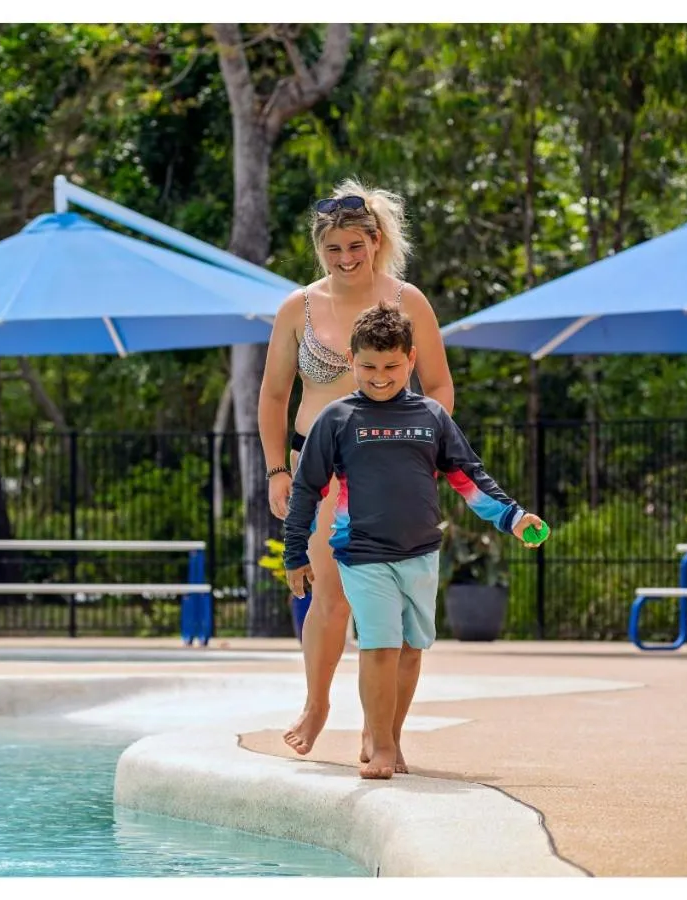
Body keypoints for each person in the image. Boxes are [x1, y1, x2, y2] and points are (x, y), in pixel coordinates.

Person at [282, 303, 544, 778]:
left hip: (420, 552)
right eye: (368, 366)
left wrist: (514, 516)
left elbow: (469, 478)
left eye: (391, 366)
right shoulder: (337, 420)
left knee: (409, 649)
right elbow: (307, 490)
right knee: (379, 645)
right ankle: (380, 744)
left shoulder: (432, 417)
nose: (379, 376)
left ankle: (389, 734)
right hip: (362, 553)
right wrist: (295, 552)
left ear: (411, 358)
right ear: (350, 359)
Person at [257, 179, 456, 761]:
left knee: (393, 610)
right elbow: (273, 396)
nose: (345, 259)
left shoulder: (407, 300)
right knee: (331, 598)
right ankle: (317, 704)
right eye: (333, 249)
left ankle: (381, 733)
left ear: (376, 241)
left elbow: (438, 384)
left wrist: (426, 449)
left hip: (393, 472)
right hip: (320, 471)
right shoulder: (298, 307)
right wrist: (276, 471)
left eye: (356, 247)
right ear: (320, 249)